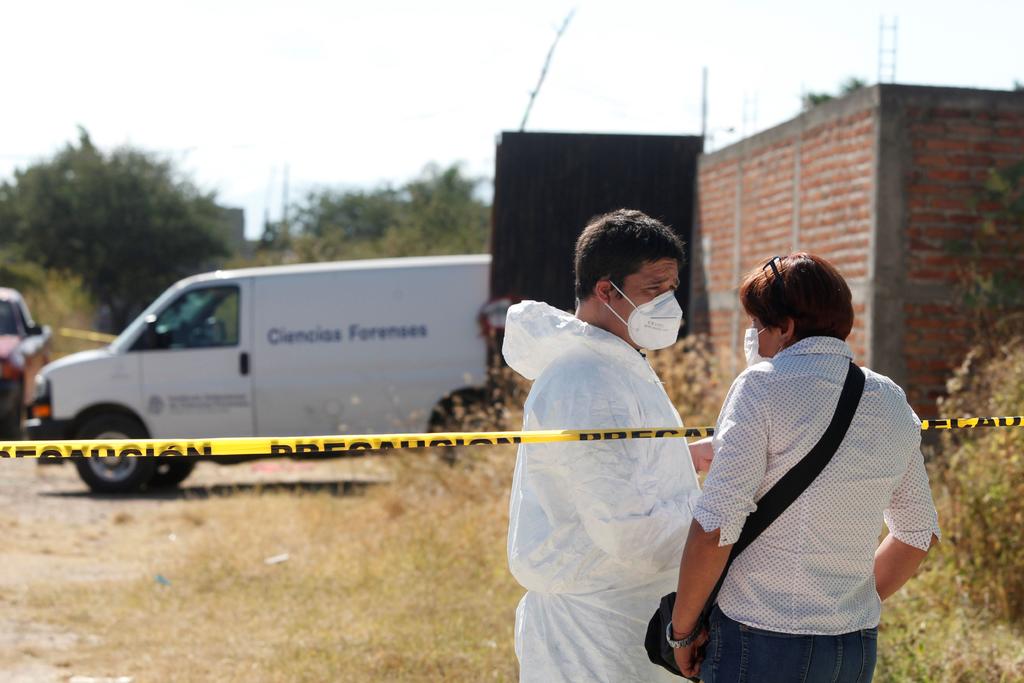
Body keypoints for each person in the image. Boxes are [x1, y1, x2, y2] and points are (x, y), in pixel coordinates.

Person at [668, 253, 941, 682]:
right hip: (852, 647)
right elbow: (918, 533)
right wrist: (842, 608)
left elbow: (715, 530)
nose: (753, 337)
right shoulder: (889, 398)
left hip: (760, 641)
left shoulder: (760, 385)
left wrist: (682, 633)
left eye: (757, 324)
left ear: (786, 327)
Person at [503, 209, 709, 683]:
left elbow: (608, 476)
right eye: (653, 289)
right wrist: (719, 513)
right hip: (597, 632)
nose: (668, 303)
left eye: (672, 288)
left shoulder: (612, 365)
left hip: (622, 612)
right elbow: (628, 532)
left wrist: (681, 458)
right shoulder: (589, 381)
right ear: (605, 290)